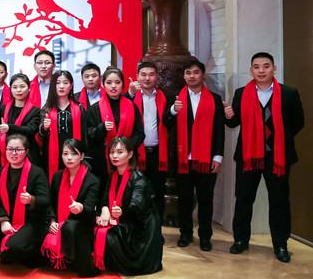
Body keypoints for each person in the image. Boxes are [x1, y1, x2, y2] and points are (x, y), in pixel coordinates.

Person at [225, 52, 304, 263]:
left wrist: (277, 140)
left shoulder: (288, 93)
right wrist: (228, 116)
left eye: (266, 66)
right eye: (257, 67)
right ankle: (240, 240)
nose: (261, 70)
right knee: (243, 199)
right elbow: (233, 123)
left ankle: (280, 245)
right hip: (248, 156)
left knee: (279, 201)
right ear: (251, 70)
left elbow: (298, 123)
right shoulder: (241, 93)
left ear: (274, 69)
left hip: (277, 158)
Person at [165, 60, 224, 251]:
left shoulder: (215, 99)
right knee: (184, 199)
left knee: (206, 199)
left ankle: (205, 236)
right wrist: (173, 111)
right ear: (184, 76)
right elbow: (165, 122)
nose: (192, 76)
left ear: (203, 75)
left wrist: (218, 156)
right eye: (188, 72)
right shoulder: (175, 98)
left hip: (206, 158)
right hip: (183, 159)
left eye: (196, 72)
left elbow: (219, 130)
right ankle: (185, 233)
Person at [94, 136, 163, 275]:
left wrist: (121, 212)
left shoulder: (138, 179)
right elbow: (104, 199)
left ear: (130, 154)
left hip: (139, 228)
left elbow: (136, 208)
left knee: (107, 235)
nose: (114, 156)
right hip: (123, 219)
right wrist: (105, 209)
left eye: (120, 152)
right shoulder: (113, 176)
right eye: (112, 152)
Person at [0, 134, 50, 266]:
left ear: (27, 151)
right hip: (8, 219)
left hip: (31, 221)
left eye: (18, 149)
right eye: (10, 149)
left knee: (14, 248)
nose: (13, 153)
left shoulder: (37, 172)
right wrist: (3, 221)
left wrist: (31, 200)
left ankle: (33, 255)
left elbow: (45, 200)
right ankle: (15, 253)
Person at [42, 139, 100, 276]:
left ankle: (84, 267)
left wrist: (80, 207)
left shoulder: (92, 180)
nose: (69, 158)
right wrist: (52, 221)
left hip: (82, 221)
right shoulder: (57, 176)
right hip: (59, 221)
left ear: (82, 156)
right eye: (65, 154)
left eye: (74, 154)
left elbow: (90, 207)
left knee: (71, 226)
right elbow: (50, 203)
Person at [126, 61, 171, 220]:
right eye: (143, 75)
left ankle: (156, 228)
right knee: (135, 193)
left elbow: (171, 121)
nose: (147, 78)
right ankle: (136, 228)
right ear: (137, 77)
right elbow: (121, 108)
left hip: (158, 153)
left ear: (157, 76)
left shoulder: (165, 97)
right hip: (136, 153)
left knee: (157, 193)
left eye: (151, 74)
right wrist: (130, 94)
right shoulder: (130, 97)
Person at [87, 66, 145, 188]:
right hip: (102, 162)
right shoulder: (95, 108)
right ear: (103, 85)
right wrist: (102, 128)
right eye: (109, 82)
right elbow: (89, 134)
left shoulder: (132, 107)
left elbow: (140, 133)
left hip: (127, 159)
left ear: (123, 85)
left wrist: (125, 147)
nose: (113, 86)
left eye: (117, 82)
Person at [39, 70, 86, 181]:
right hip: (52, 156)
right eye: (57, 83)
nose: (61, 86)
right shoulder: (46, 109)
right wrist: (44, 128)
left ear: (71, 85)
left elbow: (84, 135)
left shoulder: (79, 108)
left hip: (74, 153)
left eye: (65, 83)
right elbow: (42, 137)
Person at [0, 73, 41, 167]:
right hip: (5, 152)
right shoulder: (3, 108)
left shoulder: (35, 111)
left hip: (28, 154)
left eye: (22, 86)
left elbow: (31, 130)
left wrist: (9, 128)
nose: (18, 90)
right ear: (11, 89)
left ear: (29, 88)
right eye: (15, 87)